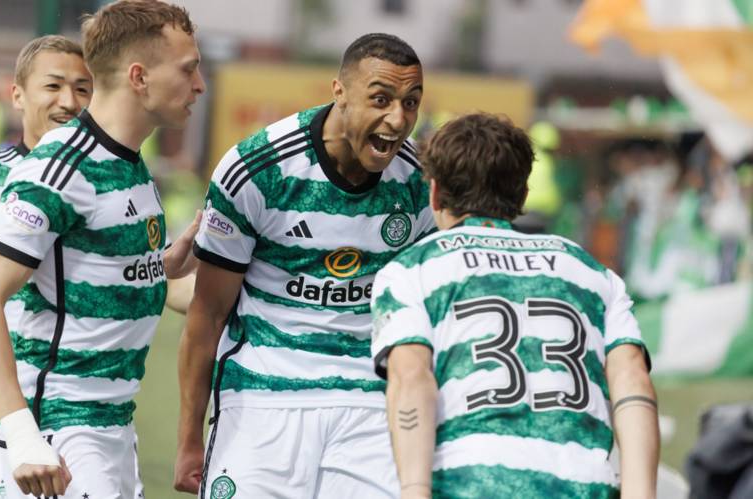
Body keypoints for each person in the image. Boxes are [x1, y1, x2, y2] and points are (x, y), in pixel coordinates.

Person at [0, 1, 205, 497]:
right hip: (54, 430)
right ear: (139, 77)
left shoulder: (129, 166)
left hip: (110, 427)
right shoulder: (58, 171)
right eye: (188, 69)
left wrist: (158, 269)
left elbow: (93, 278)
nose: (199, 85)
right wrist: (22, 436)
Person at [175, 33, 434, 498]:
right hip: (261, 395)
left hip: (369, 404)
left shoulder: (420, 181)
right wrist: (190, 438)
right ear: (339, 91)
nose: (398, 119)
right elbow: (208, 313)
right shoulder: (258, 169)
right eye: (381, 99)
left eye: (410, 103)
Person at [370, 112, 659, 499]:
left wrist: (414, 490)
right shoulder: (591, 271)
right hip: (581, 486)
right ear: (522, 193)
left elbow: (411, 380)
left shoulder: (412, 269)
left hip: (471, 485)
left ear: (435, 192)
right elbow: (632, 378)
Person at [0, 35, 92, 499]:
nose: (69, 101)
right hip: (11, 413)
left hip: (96, 416)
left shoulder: (112, 178)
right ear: (17, 95)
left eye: (82, 88)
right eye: (53, 86)